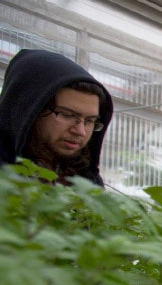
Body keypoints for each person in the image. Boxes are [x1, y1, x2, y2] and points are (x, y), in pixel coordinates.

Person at [0, 49, 113, 186]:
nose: (80, 131)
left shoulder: (87, 181)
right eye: (68, 115)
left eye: (89, 121)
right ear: (31, 110)